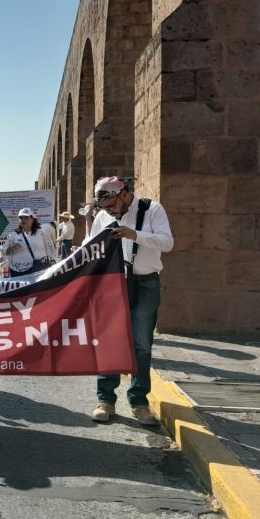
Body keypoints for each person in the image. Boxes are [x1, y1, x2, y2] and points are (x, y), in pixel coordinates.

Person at [88, 176, 173, 427]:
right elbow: (90, 245)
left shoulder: (152, 210)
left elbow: (167, 243)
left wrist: (133, 234)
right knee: (110, 341)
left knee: (141, 345)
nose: (110, 212)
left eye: (112, 205)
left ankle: (139, 402)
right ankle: (106, 400)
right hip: (113, 284)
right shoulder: (103, 216)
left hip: (145, 283)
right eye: (105, 208)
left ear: (123, 194)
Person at [3, 208, 56, 277]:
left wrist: (53, 261)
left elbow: (50, 249)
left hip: (36, 270)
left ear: (32, 219)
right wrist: (12, 248)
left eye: (26, 217)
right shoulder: (13, 235)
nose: (23, 220)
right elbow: (5, 252)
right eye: (21, 218)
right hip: (16, 272)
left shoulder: (41, 234)